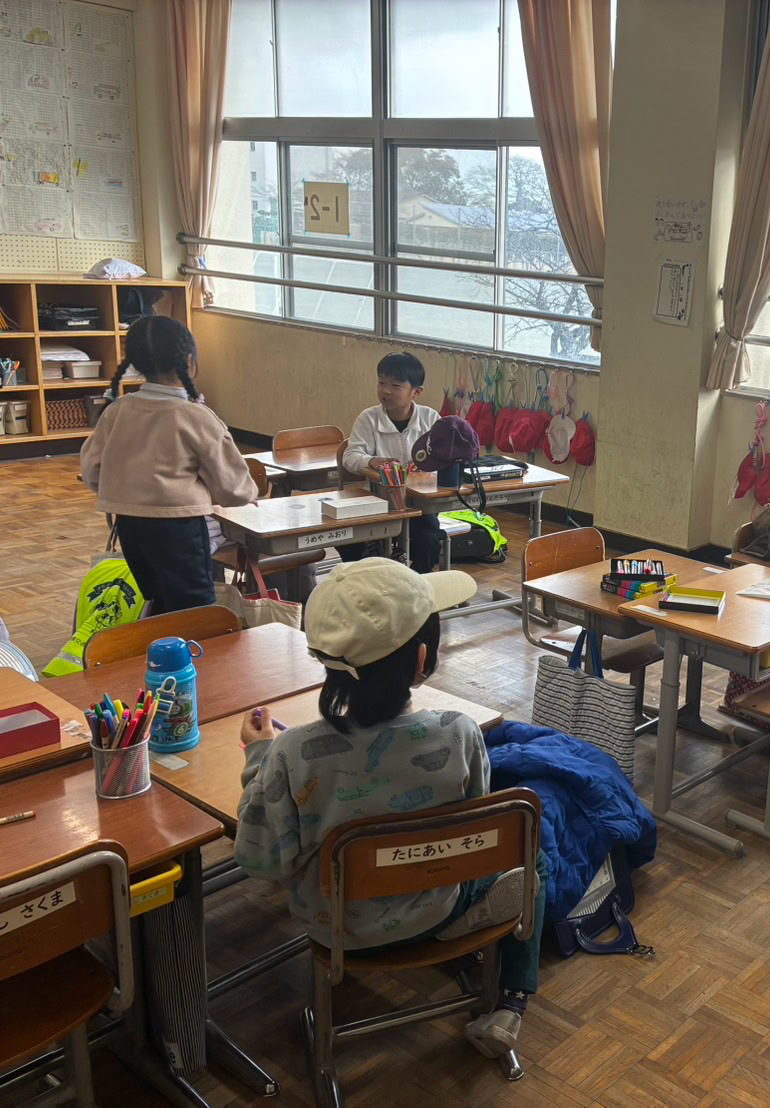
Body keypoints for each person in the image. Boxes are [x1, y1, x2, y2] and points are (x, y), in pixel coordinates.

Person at [233, 558, 547, 1060]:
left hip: (336, 930)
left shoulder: (293, 752)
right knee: (532, 850)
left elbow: (261, 860)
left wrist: (258, 758)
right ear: (422, 658)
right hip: (436, 908)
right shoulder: (460, 732)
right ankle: (511, 1000)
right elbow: (476, 833)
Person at [80, 316, 256, 615]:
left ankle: (162, 643)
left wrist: (129, 493)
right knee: (194, 609)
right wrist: (243, 495)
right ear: (189, 362)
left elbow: (92, 471)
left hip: (130, 526)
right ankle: (188, 646)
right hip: (180, 528)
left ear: (135, 363)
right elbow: (234, 489)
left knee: (157, 599)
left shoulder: (117, 411)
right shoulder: (195, 417)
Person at [341, 352, 441, 572]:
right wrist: (373, 461)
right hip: (377, 500)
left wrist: (428, 468)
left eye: (395, 386)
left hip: (419, 504)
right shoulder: (368, 418)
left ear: (416, 392)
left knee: (430, 539)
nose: (385, 391)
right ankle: (363, 578)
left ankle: (415, 582)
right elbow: (350, 457)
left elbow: (444, 458)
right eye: (381, 383)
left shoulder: (430, 418)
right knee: (347, 538)